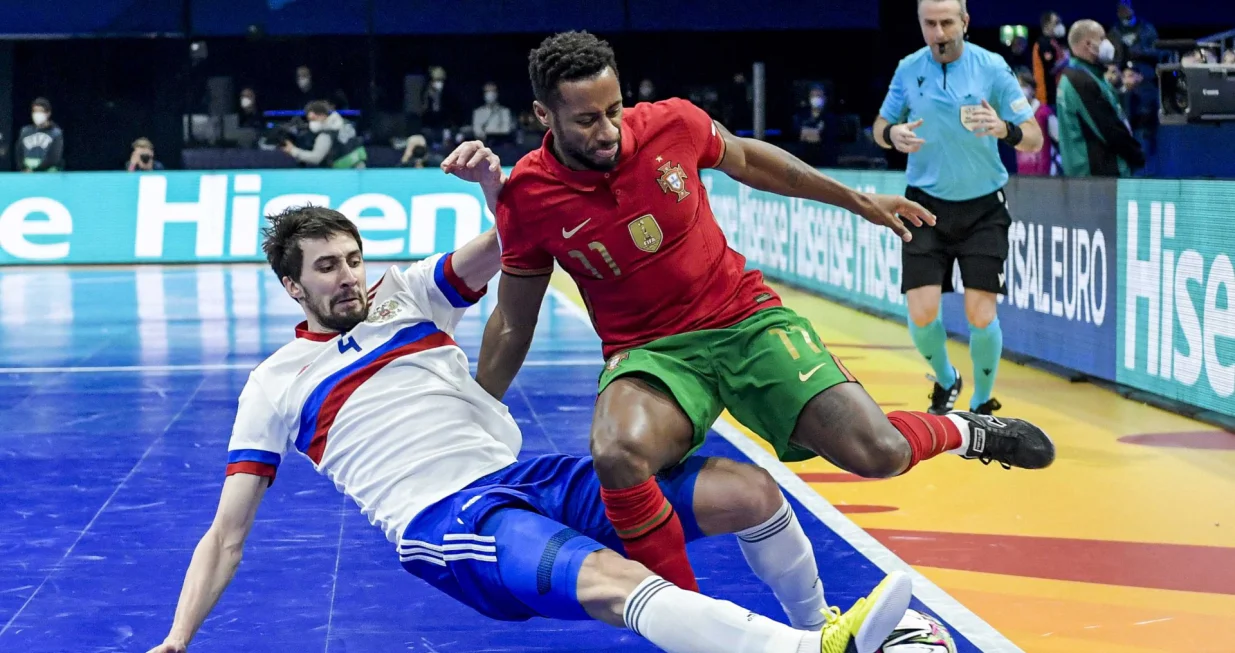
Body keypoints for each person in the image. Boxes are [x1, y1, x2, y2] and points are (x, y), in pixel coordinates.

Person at [142, 172, 914, 653]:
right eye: (326, 269)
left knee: (748, 492)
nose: (348, 278)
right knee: (616, 581)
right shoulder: (274, 384)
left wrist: (491, 185)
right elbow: (227, 532)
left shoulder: (406, 297)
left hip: (527, 478)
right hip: (445, 521)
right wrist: (177, 640)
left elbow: (514, 237)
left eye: (351, 258)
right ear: (292, 287)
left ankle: (822, 624)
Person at [465, 29, 1056, 595]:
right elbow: (515, 320)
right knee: (618, 452)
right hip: (651, 357)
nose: (609, 131)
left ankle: (967, 431)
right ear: (545, 116)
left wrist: (857, 199)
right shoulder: (530, 198)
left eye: (615, 109)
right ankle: (687, 622)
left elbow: (747, 159)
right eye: (587, 120)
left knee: (878, 455)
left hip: (744, 319)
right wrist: (472, 411)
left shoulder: (673, 122)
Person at [872, 0, 1044, 416]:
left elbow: (1034, 139)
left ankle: (982, 400)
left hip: (983, 208)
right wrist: (893, 134)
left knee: (980, 313)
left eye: (947, 22)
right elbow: (879, 128)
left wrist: (1003, 128)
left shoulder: (992, 68)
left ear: (965, 22)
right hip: (923, 205)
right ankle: (948, 379)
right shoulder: (908, 69)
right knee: (921, 308)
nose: (939, 33)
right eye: (930, 24)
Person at [1056, 20, 1145, 178]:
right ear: (1089, 44)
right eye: (1102, 38)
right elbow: (1109, 128)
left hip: (1093, 178)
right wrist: (1137, 155)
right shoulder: (1080, 80)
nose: (1107, 44)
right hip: (1096, 179)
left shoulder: (1087, 75)